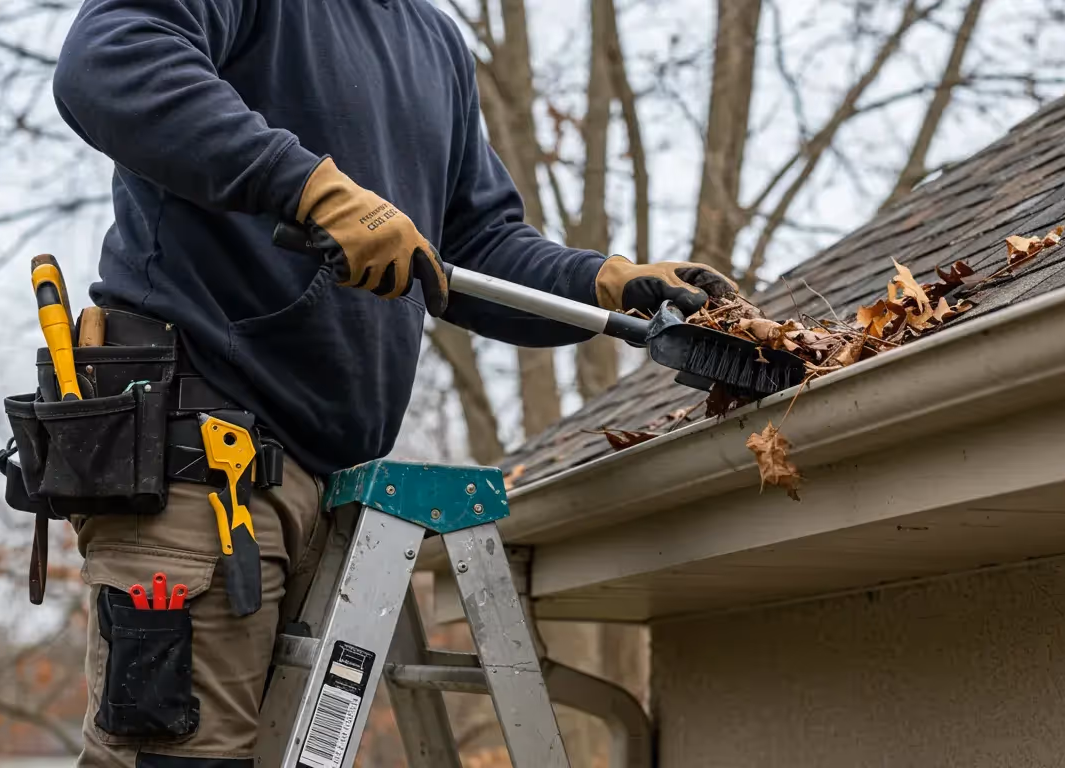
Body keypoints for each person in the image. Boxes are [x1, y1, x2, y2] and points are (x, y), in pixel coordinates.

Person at [51, 1, 738, 765]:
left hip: (327, 481)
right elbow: (110, 60)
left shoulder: (432, 37)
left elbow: (471, 246)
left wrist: (604, 281)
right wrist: (310, 188)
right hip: (202, 449)